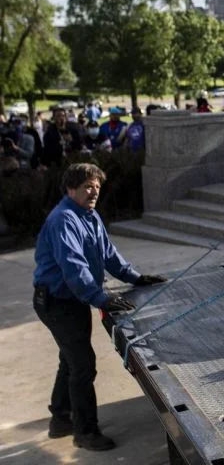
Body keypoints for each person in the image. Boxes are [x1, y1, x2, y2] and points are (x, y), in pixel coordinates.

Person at [33, 164, 167, 450]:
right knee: (83, 365)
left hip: (73, 300)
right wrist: (100, 297)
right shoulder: (64, 220)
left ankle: (61, 419)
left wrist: (135, 277)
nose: (94, 191)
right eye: (87, 186)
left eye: (96, 186)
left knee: (71, 359)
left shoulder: (89, 215)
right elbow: (73, 266)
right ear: (71, 189)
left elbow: (108, 254)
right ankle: (84, 432)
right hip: (57, 303)